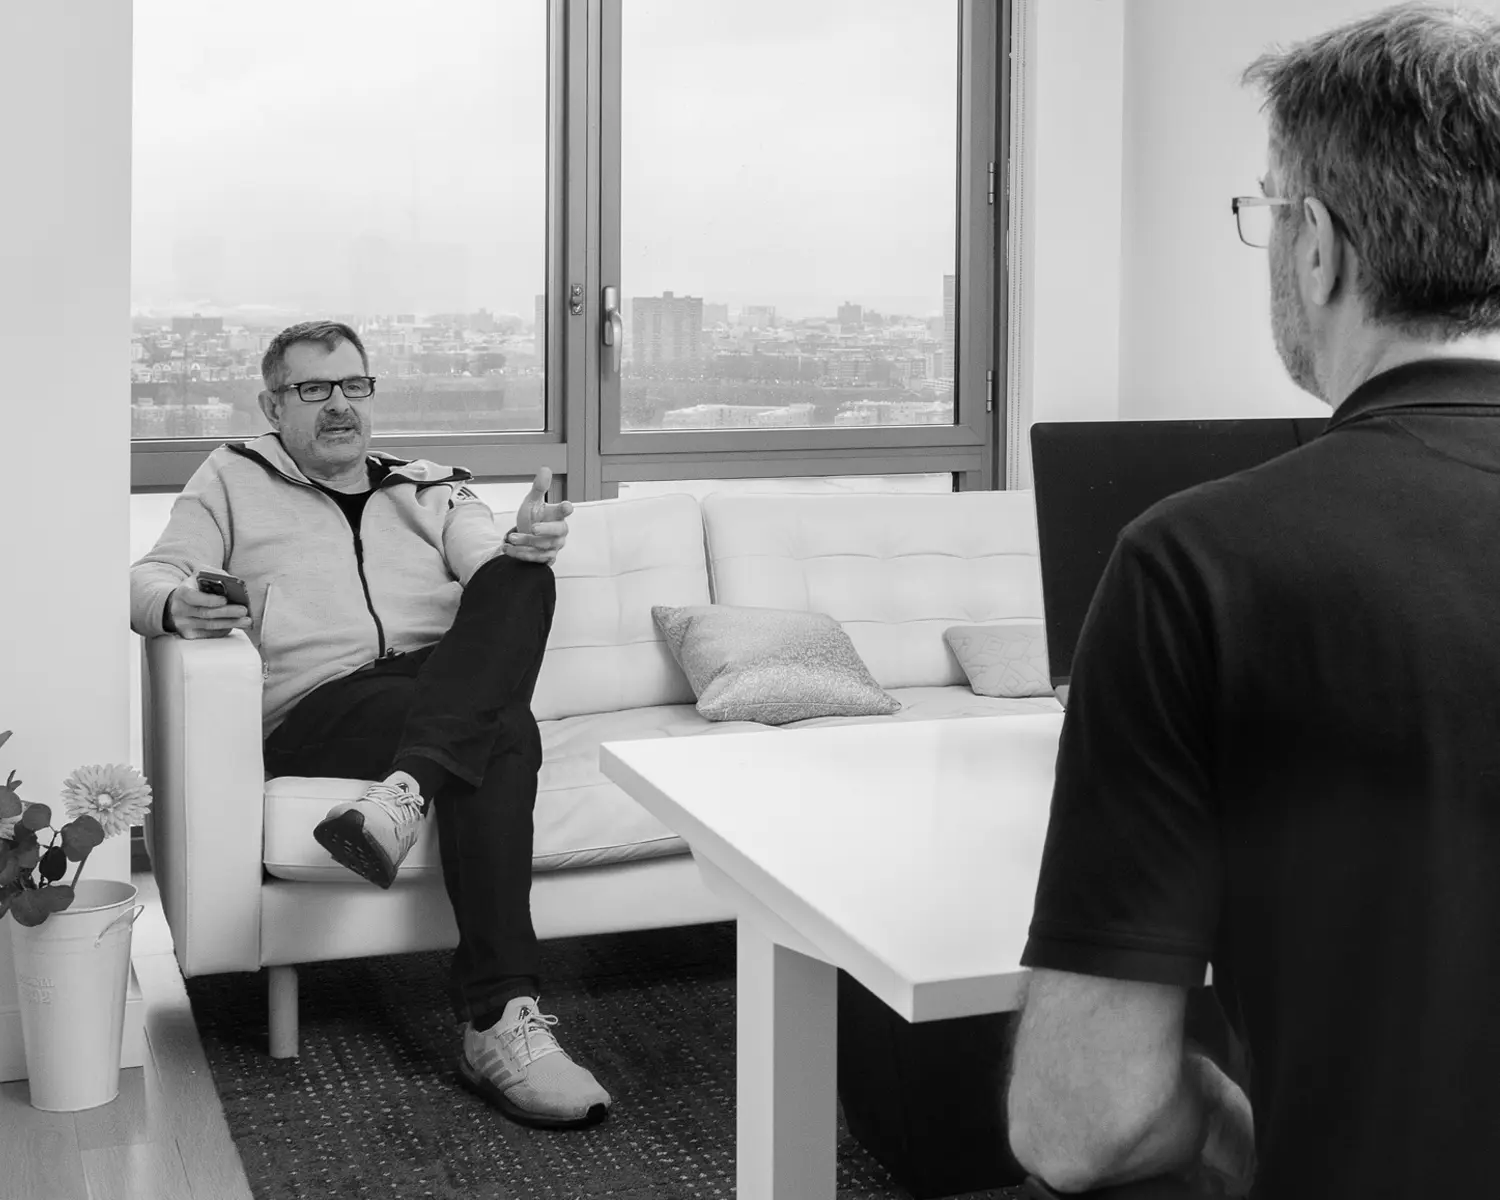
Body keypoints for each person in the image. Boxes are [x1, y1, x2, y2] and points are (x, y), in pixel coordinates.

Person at [1004, 5, 1500, 1197]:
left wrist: (1228, 1131)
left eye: (1265, 211)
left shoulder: (1198, 566)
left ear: (1316, 245)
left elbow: (1084, 1119)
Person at [129, 319, 613, 1130]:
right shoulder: (231, 477)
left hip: (431, 687)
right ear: (271, 402)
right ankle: (500, 1017)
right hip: (322, 705)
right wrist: (174, 603)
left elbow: (486, 569)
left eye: (354, 386)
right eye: (313, 389)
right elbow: (149, 575)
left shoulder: (430, 488)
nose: (339, 406)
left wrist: (523, 544)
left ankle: (406, 792)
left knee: (522, 585)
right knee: (504, 730)